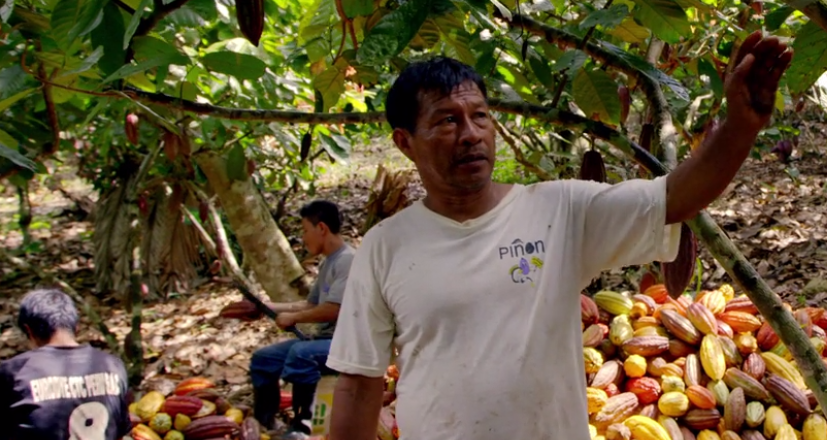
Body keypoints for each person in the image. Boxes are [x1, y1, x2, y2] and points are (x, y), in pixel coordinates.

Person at [325, 32, 793, 440]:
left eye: (480, 116)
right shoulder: (387, 247)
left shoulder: (559, 210)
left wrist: (740, 127)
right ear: (405, 141)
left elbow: (676, 198)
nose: (470, 134)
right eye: (447, 120)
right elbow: (358, 383)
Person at [228, 200, 355, 438]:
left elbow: (335, 309)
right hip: (326, 340)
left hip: (347, 343)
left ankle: (304, 423)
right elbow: (310, 304)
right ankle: (265, 422)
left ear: (322, 229)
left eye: (305, 230)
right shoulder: (329, 261)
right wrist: (266, 307)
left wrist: (293, 318)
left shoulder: (347, 261)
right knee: (264, 359)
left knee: (301, 354)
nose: (303, 237)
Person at [0, 288, 132, 440]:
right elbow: (121, 432)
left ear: (29, 331)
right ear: (76, 327)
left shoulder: (13, 372)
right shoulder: (113, 366)